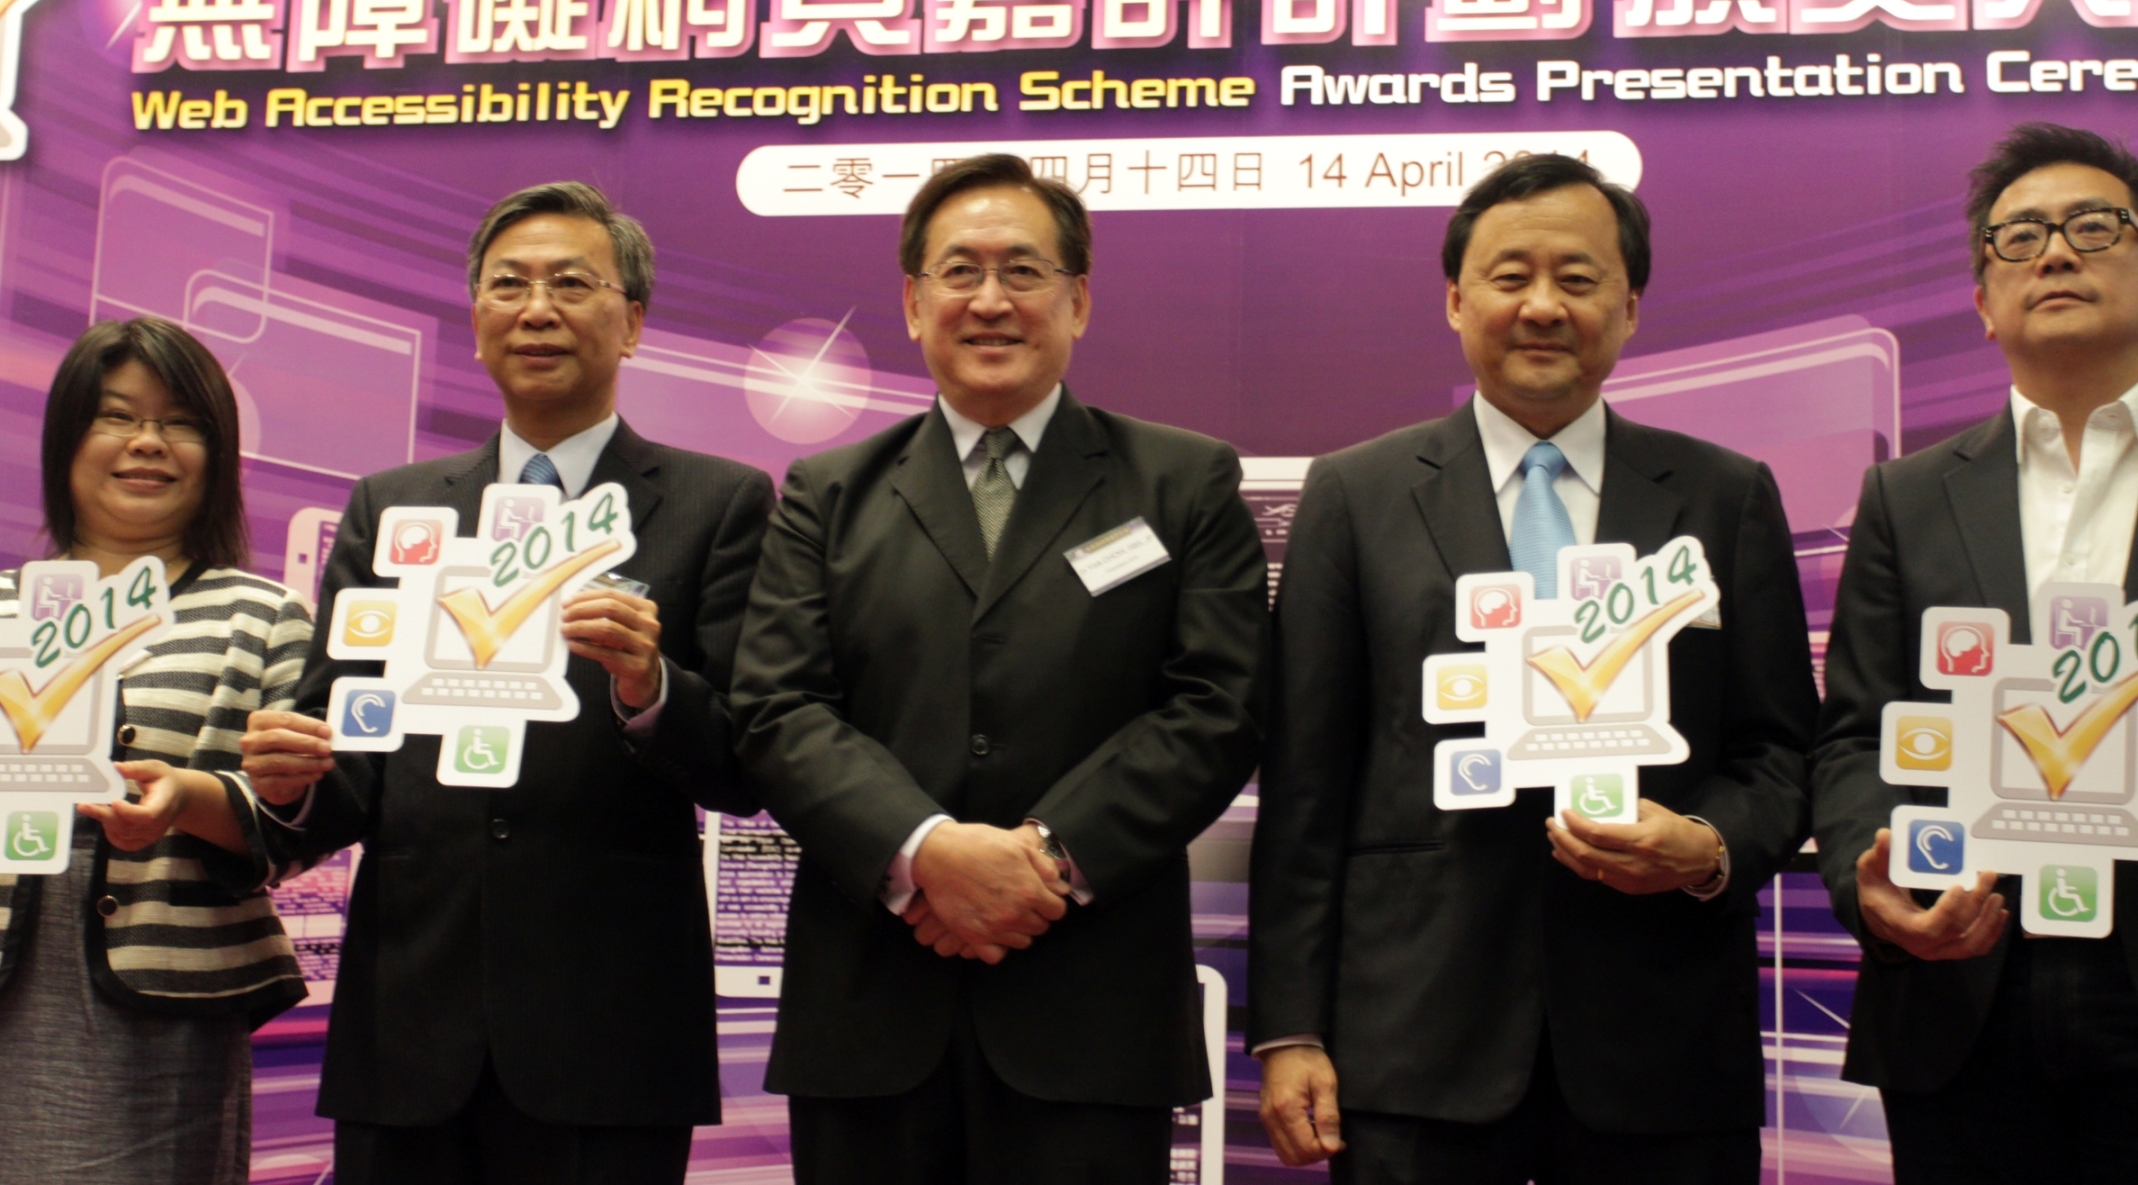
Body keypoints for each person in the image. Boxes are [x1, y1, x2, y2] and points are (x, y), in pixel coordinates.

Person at [1250, 153, 1817, 1184]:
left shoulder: (1722, 495)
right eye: (1510, 277)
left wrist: (1703, 844)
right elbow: (1304, 782)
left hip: (1662, 1045)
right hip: (1413, 1041)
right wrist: (1287, 1025)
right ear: (1456, 300)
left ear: (1631, 304)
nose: (1543, 305)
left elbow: (1779, 748)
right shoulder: (1357, 495)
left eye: (1579, 277)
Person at [729, 153, 1265, 1184]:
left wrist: (1045, 861)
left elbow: (1218, 706)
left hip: (1090, 1006)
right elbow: (777, 705)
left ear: (1077, 301)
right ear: (913, 302)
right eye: (958, 271)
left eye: (1022, 270)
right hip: (872, 1007)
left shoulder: (1180, 479)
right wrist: (925, 851)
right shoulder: (828, 490)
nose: (989, 299)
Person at [237, 182, 773, 1185]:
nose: (536, 309)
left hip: (607, 1027)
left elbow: (748, 759)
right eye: (508, 285)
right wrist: (289, 782)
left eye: (571, 283)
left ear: (633, 322)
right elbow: (347, 750)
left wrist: (650, 686)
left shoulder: (716, 502)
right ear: (475, 318)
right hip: (407, 1019)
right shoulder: (393, 508)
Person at [1811, 123, 2138, 1184]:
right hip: (1961, 985)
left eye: (2092, 225)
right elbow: (1856, 732)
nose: (2053, 252)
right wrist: (1874, 884)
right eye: (2017, 238)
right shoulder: (1905, 497)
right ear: (1980, 302)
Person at [0, 316, 312, 1185]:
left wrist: (188, 799)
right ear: (67, 442)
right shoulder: (3, 605)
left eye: (179, 422)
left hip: (163, 999)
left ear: (216, 455)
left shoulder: (264, 616)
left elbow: (299, 819)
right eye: (115, 416)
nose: (147, 443)